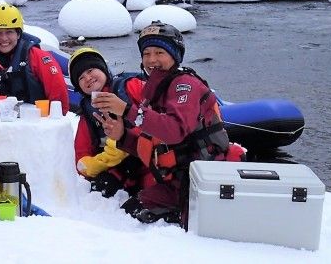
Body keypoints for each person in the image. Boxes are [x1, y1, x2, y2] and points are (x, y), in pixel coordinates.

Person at [92, 21, 245, 227]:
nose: (151, 59)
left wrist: (127, 110)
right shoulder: (154, 91)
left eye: (159, 53)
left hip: (201, 180)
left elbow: (174, 131)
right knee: (130, 209)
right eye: (146, 53)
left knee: (136, 217)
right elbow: (153, 144)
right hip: (176, 181)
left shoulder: (185, 85)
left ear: (175, 56)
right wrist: (122, 136)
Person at [69, 47, 153, 198]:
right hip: (119, 170)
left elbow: (161, 118)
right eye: (80, 78)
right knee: (100, 188)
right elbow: (81, 158)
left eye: (90, 70)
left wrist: (124, 141)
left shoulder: (130, 87)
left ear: (104, 70)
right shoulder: (88, 114)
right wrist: (102, 162)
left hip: (151, 160)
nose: (87, 78)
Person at [0, 3, 69, 113]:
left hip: (36, 125)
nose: (4, 38)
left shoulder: (38, 57)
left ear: (18, 34)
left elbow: (59, 100)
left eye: (9, 32)